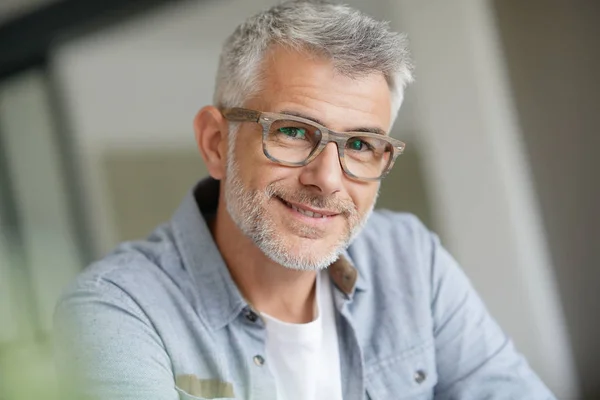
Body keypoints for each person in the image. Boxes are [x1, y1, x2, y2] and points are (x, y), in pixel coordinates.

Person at [54, 1, 556, 399]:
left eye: (360, 144)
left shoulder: (411, 260)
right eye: (293, 131)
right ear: (215, 143)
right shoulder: (119, 311)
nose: (327, 180)